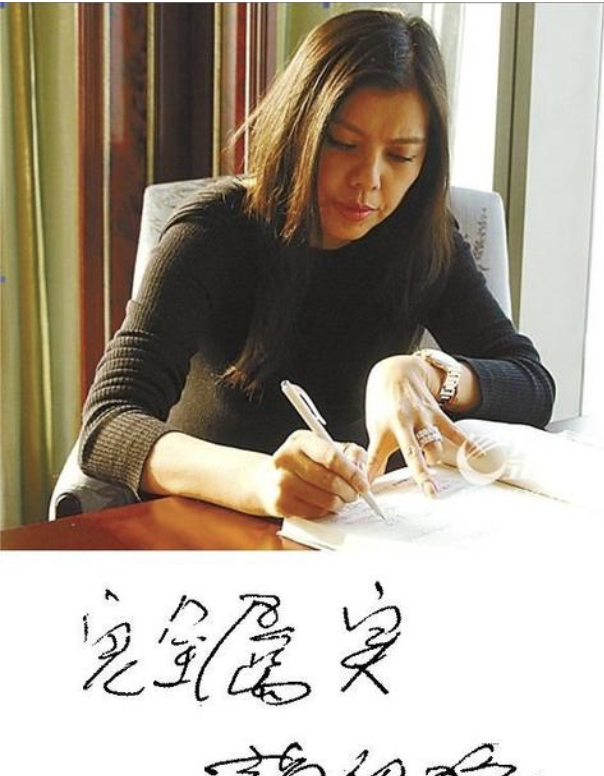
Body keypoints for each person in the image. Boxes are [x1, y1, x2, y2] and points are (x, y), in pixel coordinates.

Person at [80, 8, 555, 521]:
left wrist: (426, 373)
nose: (368, 179)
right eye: (343, 144)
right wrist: (260, 481)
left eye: (400, 156)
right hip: (210, 524)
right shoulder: (213, 233)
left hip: (354, 524)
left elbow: (532, 383)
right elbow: (109, 423)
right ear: (299, 130)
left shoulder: (422, 239)